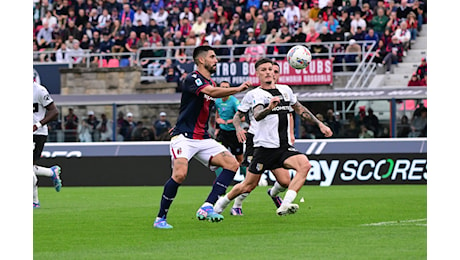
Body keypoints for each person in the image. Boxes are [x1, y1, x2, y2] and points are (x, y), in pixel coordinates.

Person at [214, 58, 333, 217]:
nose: (268, 72)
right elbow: (256, 115)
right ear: (257, 74)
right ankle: (221, 204)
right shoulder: (255, 94)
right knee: (248, 185)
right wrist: (268, 109)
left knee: (303, 166)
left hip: (283, 148)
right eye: (263, 70)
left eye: (270, 69)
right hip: (263, 148)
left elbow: (299, 108)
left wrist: (320, 124)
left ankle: (285, 204)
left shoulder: (286, 90)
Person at [153, 46, 252, 229]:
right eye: (212, 57)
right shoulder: (193, 78)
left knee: (232, 164)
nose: (216, 60)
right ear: (201, 60)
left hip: (202, 138)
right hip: (184, 137)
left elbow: (194, 109)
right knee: (180, 174)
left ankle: (207, 206)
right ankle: (161, 218)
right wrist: (237, 88)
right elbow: (212, 92)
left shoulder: (208, 81)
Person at [223, 61, 297, 216]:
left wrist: (291, 134)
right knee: (251, 182)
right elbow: (239, 115)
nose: (272, 74)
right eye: (267, 70)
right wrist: (238, 128)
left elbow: (288, 114)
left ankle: (273, 193)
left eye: (274, 71)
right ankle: (236, 204)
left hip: (276, 143)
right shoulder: (255, 94)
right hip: (256, 141)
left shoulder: (283, 92)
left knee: (284, 181)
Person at [33, 81, 62, 208]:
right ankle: (51, 173)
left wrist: (37, 125)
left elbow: (54, 111)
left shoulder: (39, 90)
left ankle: (34, 201)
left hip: (37, 134)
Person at [213, 81, 244, 178]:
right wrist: (217, 126)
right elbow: (217, 116)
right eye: (223, 87)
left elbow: (242, 118)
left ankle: (243, 178)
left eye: (227, 87)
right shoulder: (217, 101)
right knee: (220, 157)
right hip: (223, 133)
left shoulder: (234, 101)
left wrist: (227, 122)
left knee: (240, 158)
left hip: (234, 133)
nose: (225, 89)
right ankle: (222, 179)